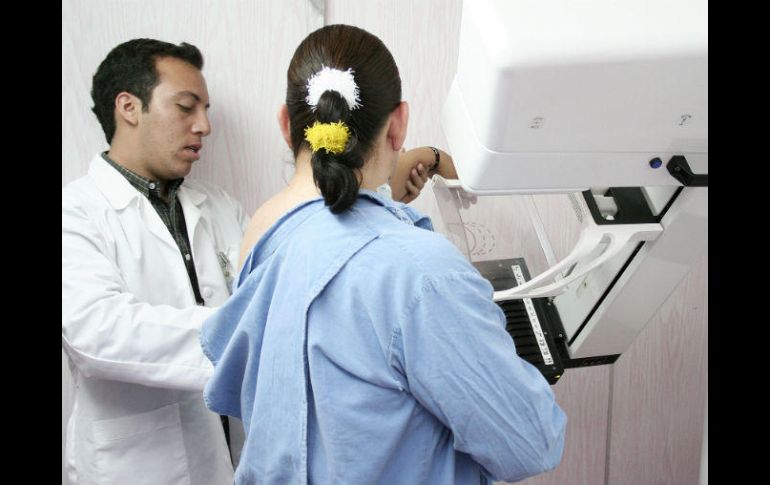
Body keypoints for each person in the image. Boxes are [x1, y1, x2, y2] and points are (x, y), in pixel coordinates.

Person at [200, 24, 567, 485]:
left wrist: (392, 189)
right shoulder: (421, 274)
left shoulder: (261, 236)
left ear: (286, 125)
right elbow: (529, 443)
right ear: (398, 124)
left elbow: (327, 222)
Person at [61, 37, 432, 485]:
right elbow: (97, 333)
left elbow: (294, 263)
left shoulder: (219, 207)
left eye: (205, 110)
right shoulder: (76, 213)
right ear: (128, 108)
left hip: (235, 458)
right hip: (136, 466)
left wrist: (379, 187)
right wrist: (256, 332)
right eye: (186, 107)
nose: (204, 126)